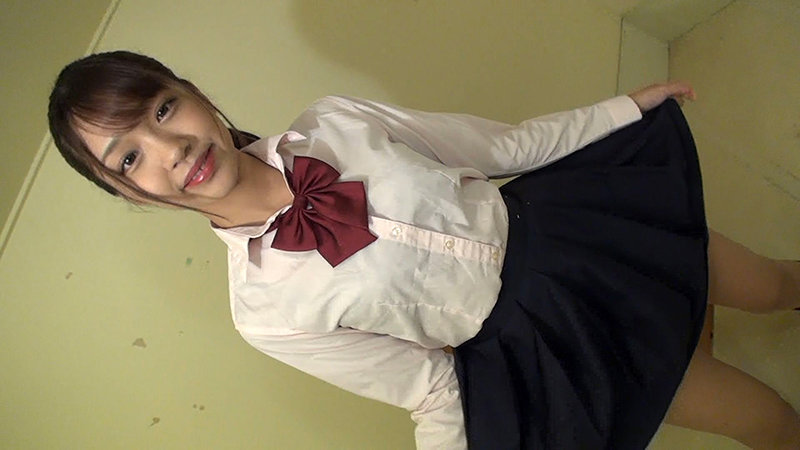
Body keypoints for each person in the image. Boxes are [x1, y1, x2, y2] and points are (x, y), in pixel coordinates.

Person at [48, 51, 799, 449]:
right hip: (550, 339)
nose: (171, 148)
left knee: (772, 285)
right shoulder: (265, 312)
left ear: (194, 93)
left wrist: (622, 109)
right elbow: (430, 389)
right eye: (129, 157)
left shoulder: (336, 121)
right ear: (128, 193)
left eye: (163, 108)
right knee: (764, 419)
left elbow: (502, 147)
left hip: (576, 235)